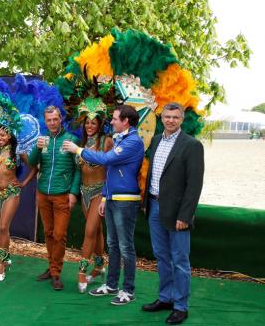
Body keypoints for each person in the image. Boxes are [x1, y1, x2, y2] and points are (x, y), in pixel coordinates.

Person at [63, 104, 144, 305]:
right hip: (112, 197)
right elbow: (112, 173)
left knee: (126, 247)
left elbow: (107, 160)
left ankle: (128, 290)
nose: (112, 121)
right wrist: (106, 196)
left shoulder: (133, 141)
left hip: (126, 200)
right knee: (113, 245)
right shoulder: (120, 138)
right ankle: (111, 285)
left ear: (126, 121)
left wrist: (78, 150)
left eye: (115, 118)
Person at [141, 103, 204, 325]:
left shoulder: (192, 145)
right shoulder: (156, 140)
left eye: (175, 117)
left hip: (177, 213)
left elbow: (194, 185)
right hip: (154, 207)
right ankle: (166, 298)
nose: (170, 120)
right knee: (161, 257)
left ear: (182, 119)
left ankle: (181, 306)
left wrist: (185, 216)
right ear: (161, 118)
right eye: (167, 116)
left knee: (180, 260)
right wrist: (146, 202)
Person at [28, 105, 81, 291]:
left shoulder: (71, 140)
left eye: (55, 119)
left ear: (61, 119)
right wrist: (36, 147)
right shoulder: (42, 140)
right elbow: (32, 163)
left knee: (59, 235)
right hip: (43, 193)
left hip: (62, 195)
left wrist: (74, 193)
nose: (52, 123)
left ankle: (56, 272)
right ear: (45, 121)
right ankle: (52, 268)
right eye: (48, 120)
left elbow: (77, 170)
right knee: (49, 233)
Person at [0, 127, 37, 281]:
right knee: (3, 229)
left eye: (3, 135)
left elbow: (34, 168)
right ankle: (7, 258)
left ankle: (1, 262)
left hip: (11, 193)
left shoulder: (17, 152)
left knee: (3, 227)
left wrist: (23, 183)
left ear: (10, 135)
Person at [76, 114, 113, 293]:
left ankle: (81, 271)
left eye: (93, 123)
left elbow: (112, 168)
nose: (89, 126)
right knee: (96, 231)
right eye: (87, 123)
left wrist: (107, 195)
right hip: (84, 191)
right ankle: (99, 267)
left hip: (100, 191)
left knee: (90, 230)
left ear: (100, 124)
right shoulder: (80, 143)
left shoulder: (107, 142)